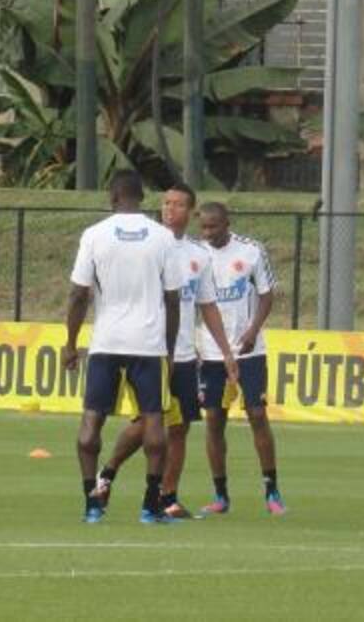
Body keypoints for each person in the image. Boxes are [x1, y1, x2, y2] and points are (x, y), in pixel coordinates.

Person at [91, 183, 239, 519]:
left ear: (190, 211)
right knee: (148, 422)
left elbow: (208, 306)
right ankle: (108, 472)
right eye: (166, 203)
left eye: (177, 204)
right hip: (148, 349)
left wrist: (226, 352)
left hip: (184, 354)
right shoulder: (147, 245)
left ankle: (167, 496)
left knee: (180, 426)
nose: (169, 209)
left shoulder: (198, 256)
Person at [63, 170, 183, 524]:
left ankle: (91, 503)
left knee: (91, 422)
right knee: (154, 422)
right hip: (148, 343)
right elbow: (173, 299)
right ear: (142, 198)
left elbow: (78, 294)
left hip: (106, 342)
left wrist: (70, 344)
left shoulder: (94, 235)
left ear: (112, 198)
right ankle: (150, 505)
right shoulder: (162, 238)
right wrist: (171, 351)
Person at [195, 202, 285, 517]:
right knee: (214, 420)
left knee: (257, 414)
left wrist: (252, 331)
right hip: (210, 352)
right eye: (204, 227)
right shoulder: (195, 254)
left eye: (214, 227)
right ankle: (220, 495)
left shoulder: (251, 251)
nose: (209, 233)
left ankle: (271, 489)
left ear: (227, 223)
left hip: (250, 349)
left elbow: (267, 294)